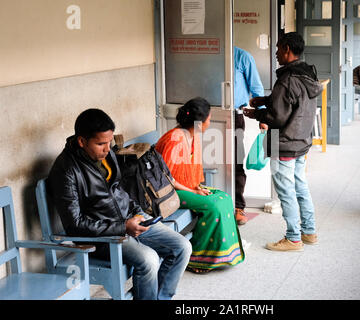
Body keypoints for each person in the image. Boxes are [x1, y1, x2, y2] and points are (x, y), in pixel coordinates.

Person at [47, 108, 192, 300]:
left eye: (109, 142)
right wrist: (122, 227)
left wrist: (137, 212)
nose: (108, 149)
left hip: (129, 220)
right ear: (82, 141)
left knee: (182, 247)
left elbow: (118, 191)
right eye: (100, 144)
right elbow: (75, 225)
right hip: (101, 237)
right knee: (149, 260)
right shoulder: (66, 171)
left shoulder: (106, 155)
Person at [244, 32, 322, 252]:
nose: (276, 53)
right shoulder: (307, 74)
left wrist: (256, 114)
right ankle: (309, 232)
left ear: (287, 49)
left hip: (284, 142)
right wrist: (266, 100)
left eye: (278, 48)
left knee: (286, 191)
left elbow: (277, 116)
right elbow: (291, 102)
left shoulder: (287, 79)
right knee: (300, 186)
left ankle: (293, 238)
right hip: (301, 141)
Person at [155, 97, 245, 273]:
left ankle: (222, 254)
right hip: (168, 193)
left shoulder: (192, 135)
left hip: (185, 187)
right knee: (212, 207)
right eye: (209, 119)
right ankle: (196, 258)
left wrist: (197, 187)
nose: (209, 123)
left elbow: (191, 172)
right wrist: (193, 191)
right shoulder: (175, 139)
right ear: (199, 122)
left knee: (224, 198)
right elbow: (166, 179)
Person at [233, 46, 266, 225]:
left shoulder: (241, 56)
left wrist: (262, 115)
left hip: (235, 116)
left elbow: (256, 87)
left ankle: (238, 206)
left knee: (236, 161)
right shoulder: (210, 52)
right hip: (209, 113)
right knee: (209, 160)